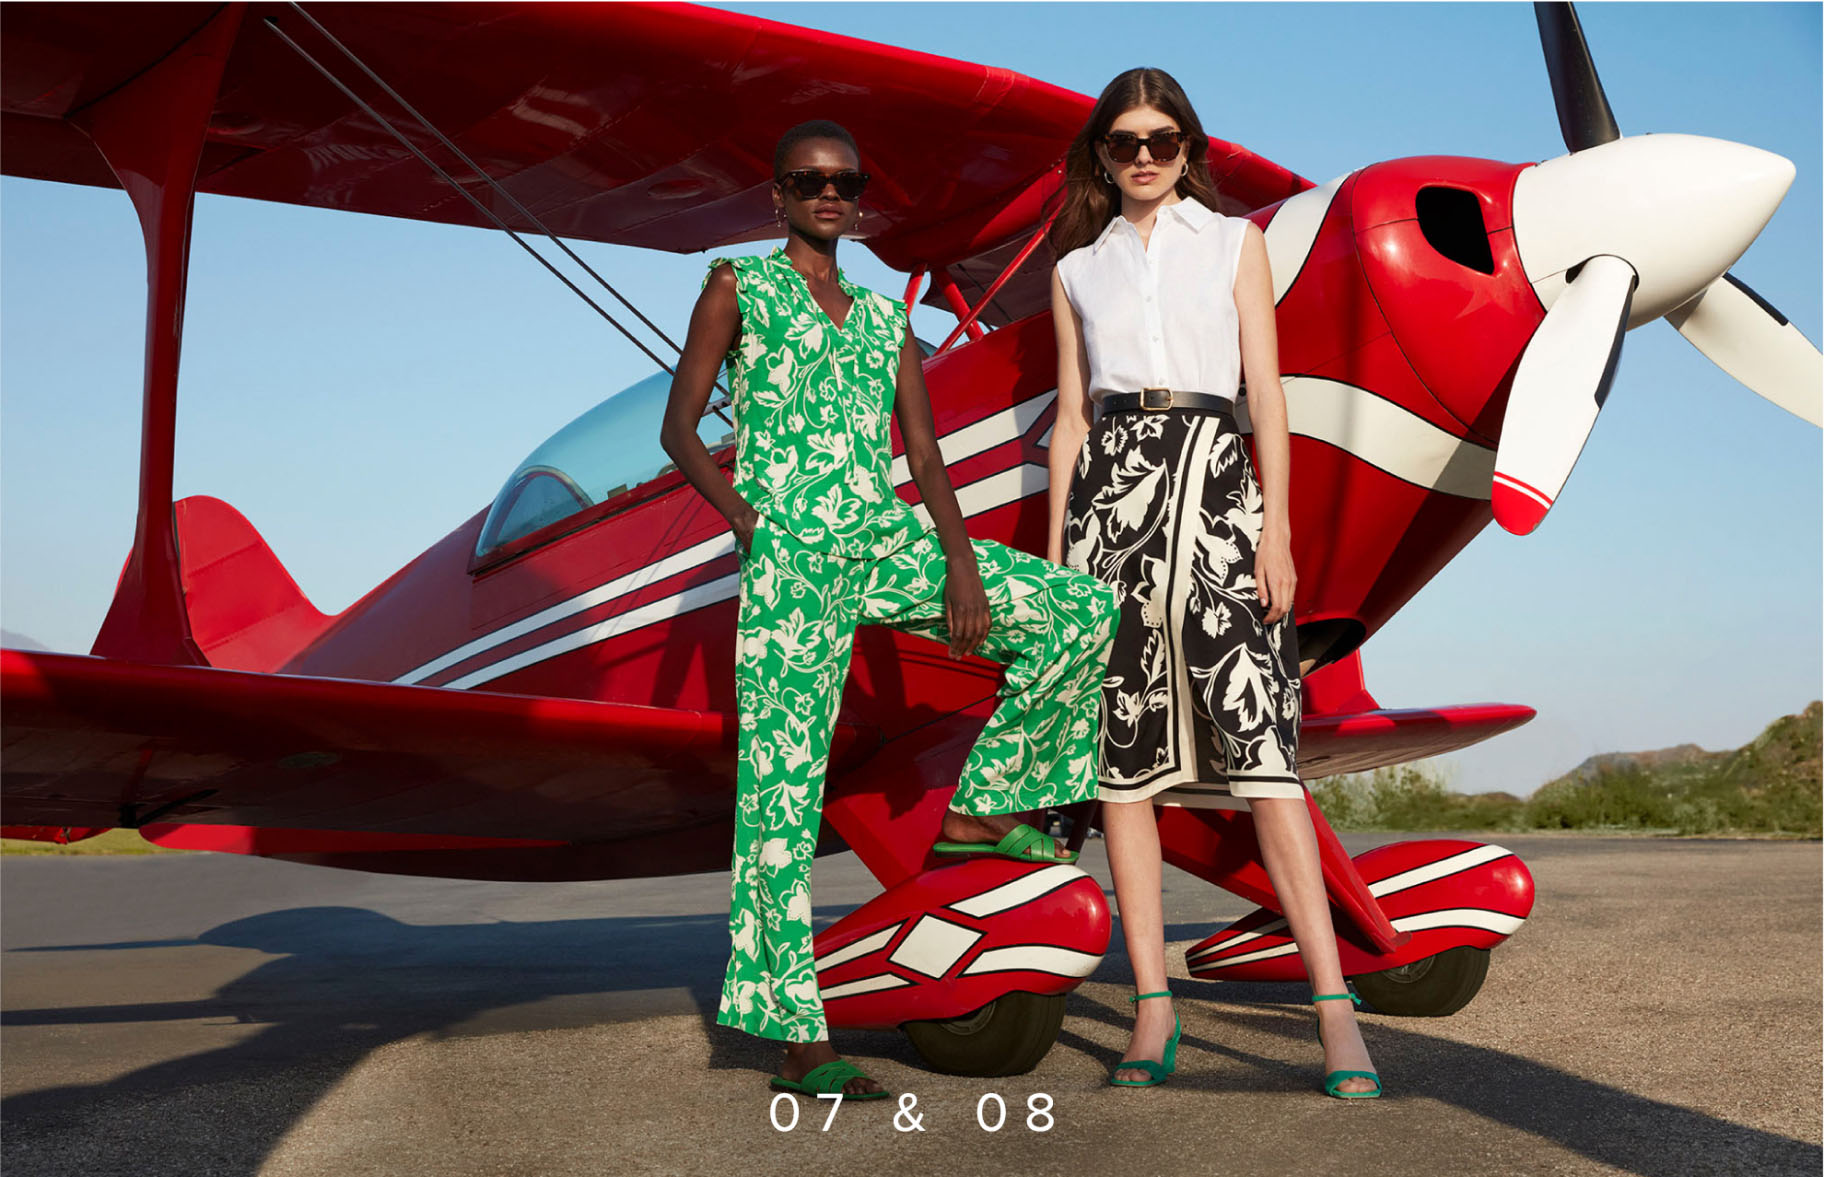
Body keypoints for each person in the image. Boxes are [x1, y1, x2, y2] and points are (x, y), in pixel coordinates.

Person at [660, 120, 1119, 1101]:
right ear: (777, 195)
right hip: (791, 553)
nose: (829, 194)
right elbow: (681, 427)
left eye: (845, 182)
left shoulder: (881, 321)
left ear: (858, 200)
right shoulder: (736, 289)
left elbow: (924, 455)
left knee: (1078, 613)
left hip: (887, 536)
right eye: (808, 181)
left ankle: (976, 811)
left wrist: (960, 561)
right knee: (780, 794)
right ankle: (798, 1041)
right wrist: (749, 518)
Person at [1047, 69, 1382, 1098]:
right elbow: (1069, 420)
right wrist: (1067, 567)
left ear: (1189, 146)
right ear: (1103, 155)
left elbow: (1267, 393)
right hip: (1113, 506)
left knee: (1265, 757)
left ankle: (1336, 1015)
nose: (1142, 155)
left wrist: (1276, 532)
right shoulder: (1074, 271)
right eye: (1122, 142)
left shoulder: (1240, 245)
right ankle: (1152, 1010)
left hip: (1219, 489)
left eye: (1161, 137)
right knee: (1124, 773)